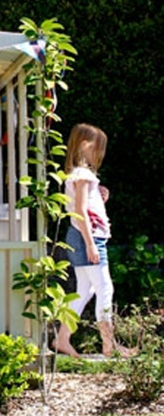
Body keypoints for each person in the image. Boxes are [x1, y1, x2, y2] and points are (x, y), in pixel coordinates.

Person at [53, 123, 135, 358]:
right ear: (84, 145)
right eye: (97, 148)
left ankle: (62, 338)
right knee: (104, 288)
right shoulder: (83, 174)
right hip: (87, 237)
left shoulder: (77, 174)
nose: (100, 153)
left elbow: (83, 206)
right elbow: (80, 210)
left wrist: (99, 197)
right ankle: (109, 344)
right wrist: (90, 244)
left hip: (79, 235)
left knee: (85, 289)